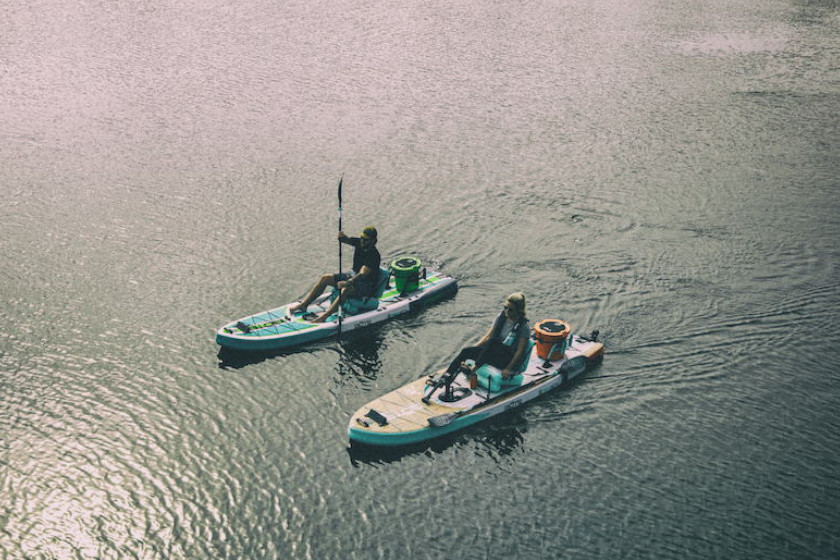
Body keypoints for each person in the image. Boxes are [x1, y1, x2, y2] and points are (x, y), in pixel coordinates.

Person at [289, 226, 381, 323]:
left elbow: (362, 273)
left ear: (373, 240)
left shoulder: (374, 255)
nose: (362, 241)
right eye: (362, 238)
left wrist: (348, 282)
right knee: (325, 278)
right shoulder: (359, 243)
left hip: (366, 285)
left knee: (346, 288)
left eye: (366, 240)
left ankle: (324, 316)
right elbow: (346, 240)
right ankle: (304, 305)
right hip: (353, 276)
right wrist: (341, 237)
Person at [446, 292, 530, 380]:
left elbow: (519, 352)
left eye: (511, 310)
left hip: (506, 358)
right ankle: (446, 376)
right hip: (492, 352)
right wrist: (473, 349)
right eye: (505, 307)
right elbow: (487, 336)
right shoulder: (501, 317)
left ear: (518, 310)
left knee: (493, 342)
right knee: (466, 351)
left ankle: (473, 370)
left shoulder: (523, 327)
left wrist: (508, 369)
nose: (507, 311)